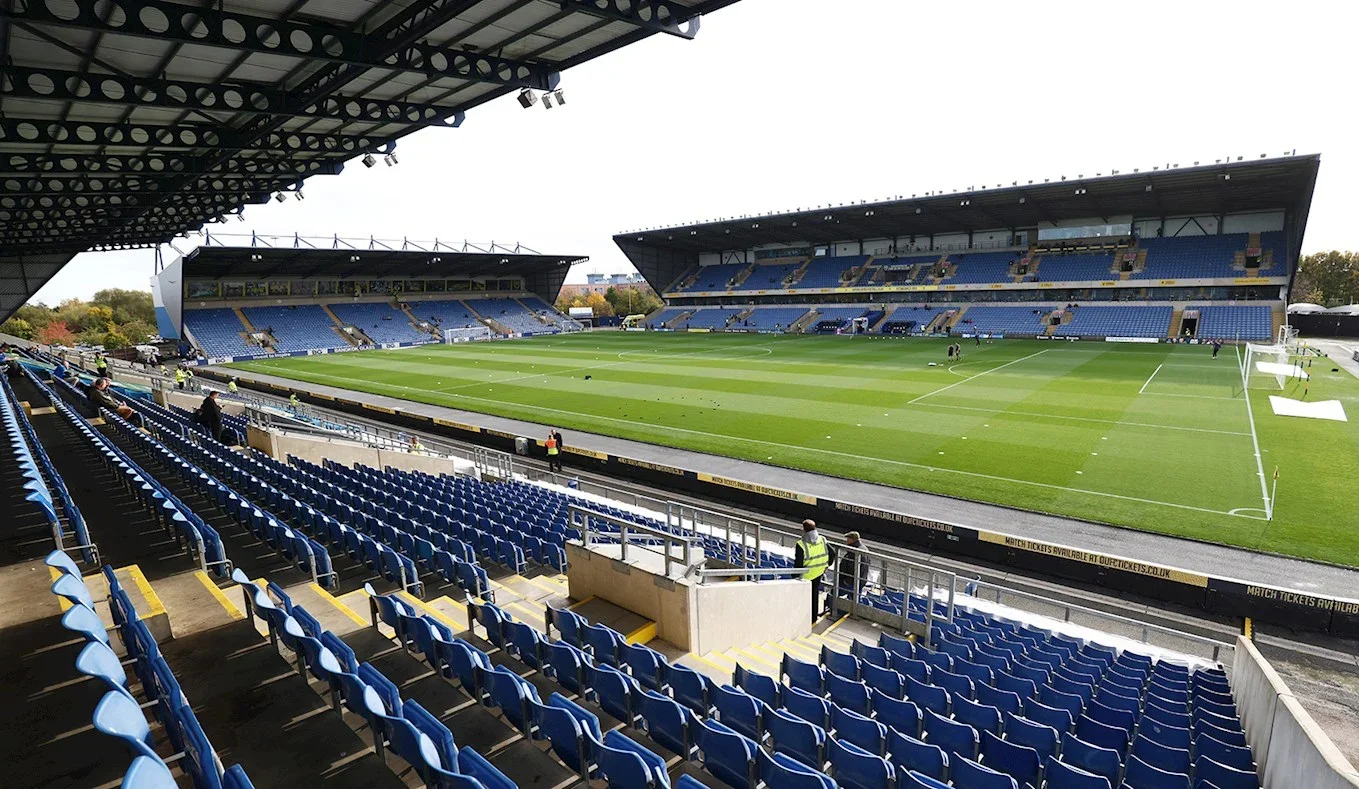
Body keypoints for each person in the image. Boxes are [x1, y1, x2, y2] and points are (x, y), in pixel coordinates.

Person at [794, 519, 832, 624]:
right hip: (818, 573)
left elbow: (798, 563)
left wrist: (795, 576)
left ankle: (803, 618)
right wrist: (827, 565)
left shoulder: (801, 544)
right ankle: (813, 618)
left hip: (805, 575)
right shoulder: (822, 539)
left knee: (803, 597)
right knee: (814, 595)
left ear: (804, 529)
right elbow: (832, 552)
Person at [836, 531, 870, 602]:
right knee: (855, 600)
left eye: (848, 539)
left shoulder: (854, 551)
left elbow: (850, 568)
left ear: (852, 539)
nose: (846, 541)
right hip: (861, 580)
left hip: (850, 582)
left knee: (834, 594)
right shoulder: (864, 548)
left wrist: (844, 580)